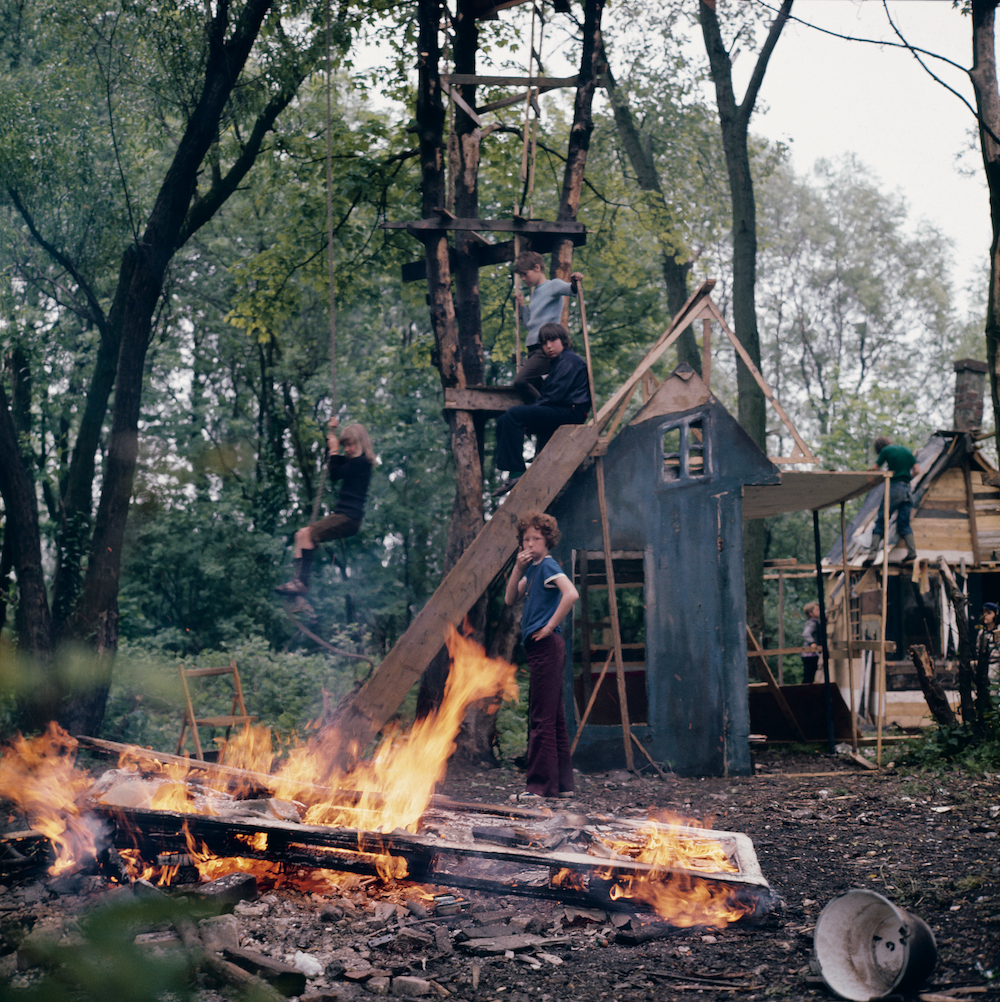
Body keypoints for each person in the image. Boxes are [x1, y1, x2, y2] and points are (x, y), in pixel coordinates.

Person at [505, 511, 579, 802]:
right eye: (526, 539)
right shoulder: (533, 570)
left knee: (541, 719)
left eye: (536, 538)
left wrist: (549, 626)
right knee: (554, 717)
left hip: (547, 646)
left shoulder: (547, 565)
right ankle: (562, 786)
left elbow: (571, 594)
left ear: (547, 540)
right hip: (539, 648)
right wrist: (516, 568)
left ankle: (537, 788)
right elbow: (511, 598)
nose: (531, 543)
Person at [275, 417, 374, 596]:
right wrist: (330, 435)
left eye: (351, 445)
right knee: (300, 535)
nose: (348, 450)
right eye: (345, 446)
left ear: (361, 443)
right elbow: (330, 461)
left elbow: (335, 474)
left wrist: (335, 450)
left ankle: (302, 583)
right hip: (342, 516)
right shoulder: (352, 461)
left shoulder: (362, 463)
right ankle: (298, 582)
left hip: (349, 518)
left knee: (307, 534)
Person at [493, 323, 591, 496]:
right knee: (503, 420)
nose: (548, 347)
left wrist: (531, 415)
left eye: (552, 341)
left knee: (515, 414)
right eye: (544, 344)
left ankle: (517, 471)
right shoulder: (557, 363)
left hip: (571, 412)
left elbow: (554, 396)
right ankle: (512, 470)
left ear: (563, 340)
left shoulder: (569, 361)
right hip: (560, 410)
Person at [512, 251, 583, 404]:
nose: (524, 279)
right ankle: (540, 418)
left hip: (543, 347)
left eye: (525, 274)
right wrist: (522, 306)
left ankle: (546, 408)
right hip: (532, 349)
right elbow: (530, 325)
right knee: (537, 387)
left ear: (537, 267)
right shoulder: (535, 294)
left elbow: (571, 290)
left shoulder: (553, 285)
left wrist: (575, 282)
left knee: (520, 381)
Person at [866, 435, 921, 564]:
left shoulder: (886, 451)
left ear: (879, 448)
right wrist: (907, 478)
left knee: (881, 520)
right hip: (907, 490)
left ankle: (872, 554)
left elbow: (875, 468)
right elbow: (917, 470)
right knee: (904, 524)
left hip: (894, 488)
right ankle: (912, 553)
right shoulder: (907, 451)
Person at [801, 601, 824, 684]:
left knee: (809, 677)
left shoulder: (816, 622)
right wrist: (812, 643)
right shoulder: (812, 623)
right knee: (808, 678)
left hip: (812, 654)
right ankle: (804, 694)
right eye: (817, 610)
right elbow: (806, 633)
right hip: (810, 655)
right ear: (810, 613)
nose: (819, 611)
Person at [977, 602, 1000, 682]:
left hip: (996, 665)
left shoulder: (998, 631)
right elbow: (978, 650)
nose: (985, 615)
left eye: (989, 613)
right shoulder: (982, 633)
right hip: (984, 666)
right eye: (984, 613)